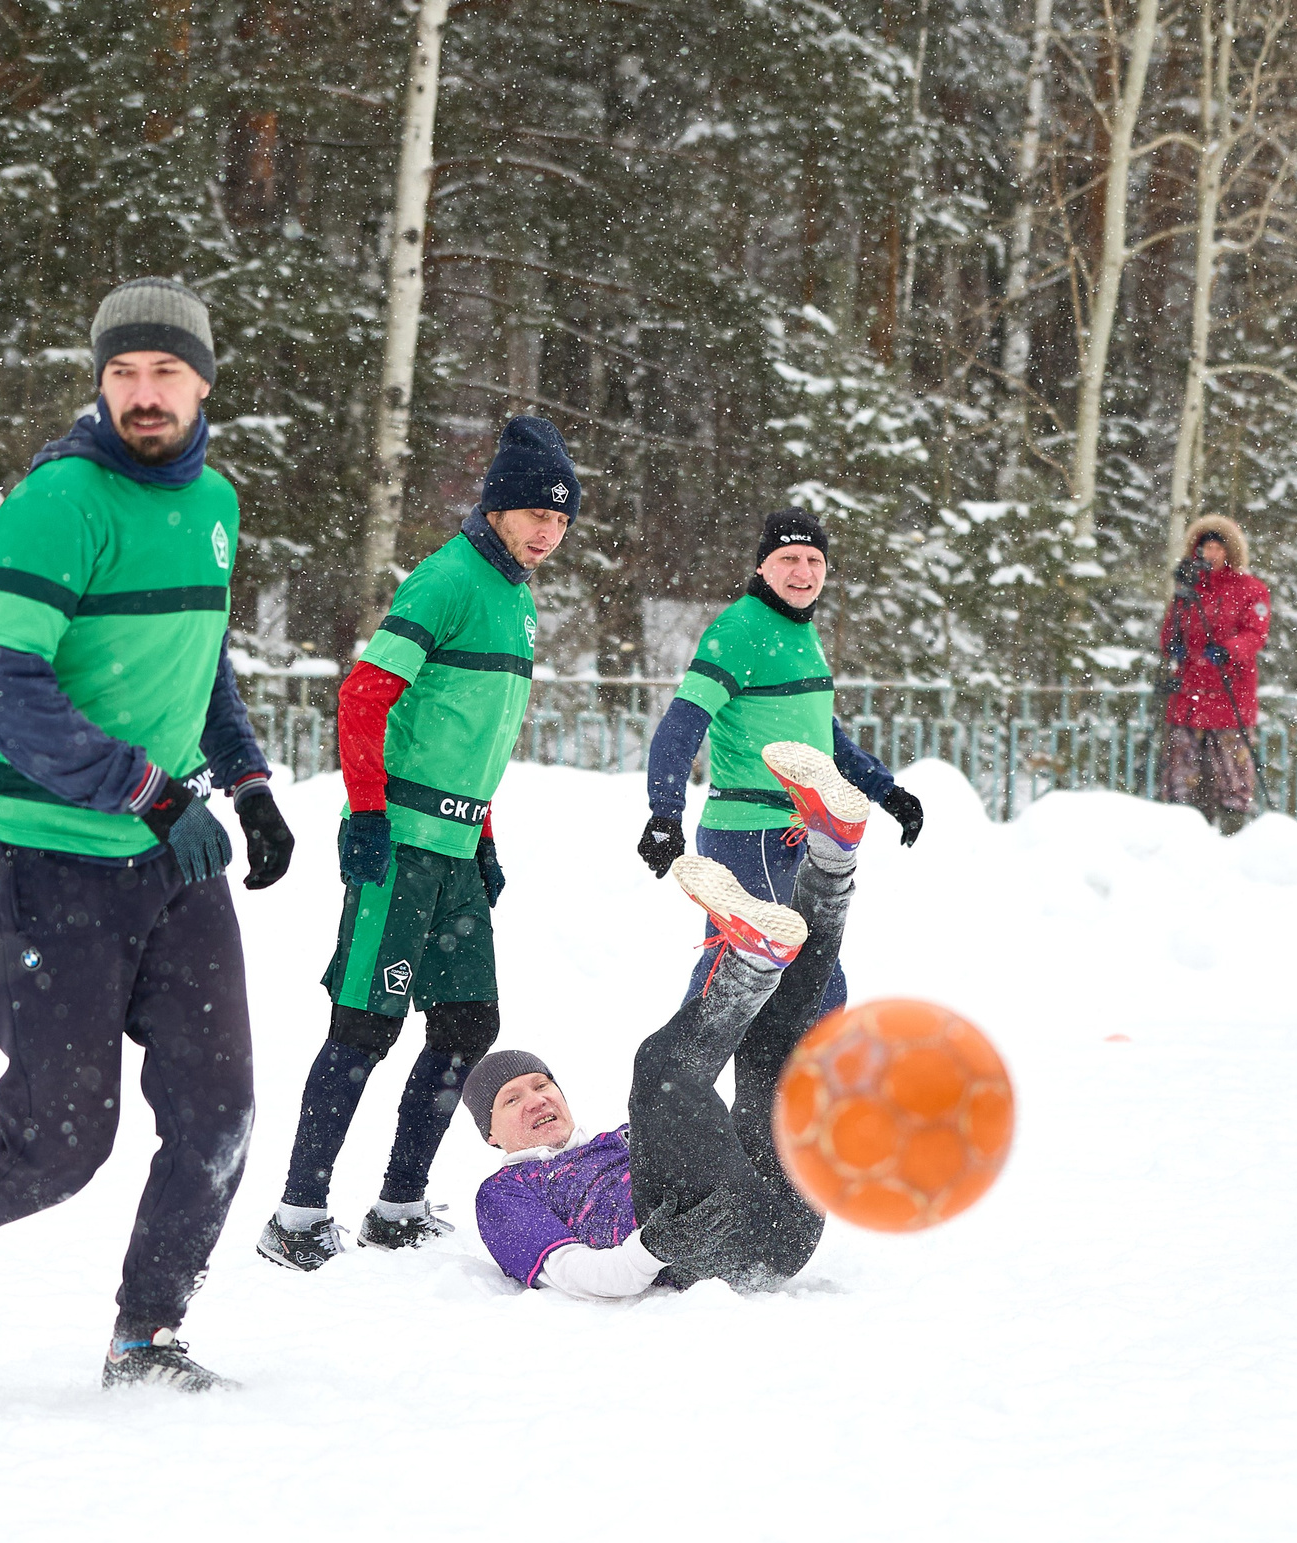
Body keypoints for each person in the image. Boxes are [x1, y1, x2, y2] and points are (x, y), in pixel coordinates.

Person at [0, 277, 296, 1393]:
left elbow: (199, 660)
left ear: (202, 383)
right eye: (122, 375)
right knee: (60, 1141)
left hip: (168, 860)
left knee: (219, 1115)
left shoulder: (216, 506)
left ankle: (147, 1338)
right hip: (40, 862)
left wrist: (244, 783)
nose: (143, 395)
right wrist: (146, 790)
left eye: (164, 374)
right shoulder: (60, 502)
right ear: (100, 384)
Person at [254, 418, 579, 1272]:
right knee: (364, 1025)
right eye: (533, 513)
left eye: (561, 519)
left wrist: (485, 833)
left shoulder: (515, 595)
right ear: (497, 508)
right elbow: (365, 696)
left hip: (457, 845)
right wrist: (365, 813)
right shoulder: (448, 579)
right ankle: (295, 1215)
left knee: (469, 1024)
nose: (547, 530)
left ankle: (398, 1205)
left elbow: (469, 731)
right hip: (398, 837)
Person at [475, 742, 871, 1299]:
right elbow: (581, 1277)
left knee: (773, 1052)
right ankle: (752, 965)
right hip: (713, 1249)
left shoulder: (623, 1141)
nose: (537, 1099)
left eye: (542, 1085)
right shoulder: (507, 1191)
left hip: (786, 1222)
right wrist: (654, 1247)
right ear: (490, 1134)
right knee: (659, 1069)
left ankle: (831, 860)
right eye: (512, 1100)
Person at [634, 507, 921, 1013]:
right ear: (763, 565)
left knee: (789, 988)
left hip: (804, 830)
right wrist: (664, 813)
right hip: (751, 832)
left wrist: (886, 791)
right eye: (789, 558)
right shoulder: (741, 628)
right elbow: (682, 724)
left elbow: (820, 736)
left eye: (814, 559)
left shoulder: (801, 632)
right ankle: (670, 1083)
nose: (803, 572)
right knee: (767, 981)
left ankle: (751, 1093)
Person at [1157, 514, 1271, 835]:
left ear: (1229, 552)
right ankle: (1180, 830)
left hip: (1229, 690)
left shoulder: (1251, 590)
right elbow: (1169, 635)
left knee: (1233, 770)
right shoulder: (1188, 590)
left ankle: (1233, 829)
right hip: (1189, 691)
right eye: (1206, 547)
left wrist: (1229, 650)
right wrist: (1175, 645)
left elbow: (1255, 634)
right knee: (1180, 769)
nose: (1212, 555)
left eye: (1218, 548)